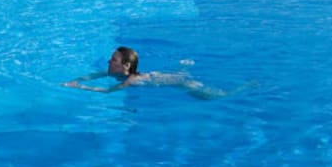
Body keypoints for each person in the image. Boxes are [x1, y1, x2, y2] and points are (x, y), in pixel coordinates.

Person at [64, 46, 226, 98]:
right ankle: (182, 68)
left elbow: (107, 91)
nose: (109, 62)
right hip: (155, 75)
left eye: (113, 60)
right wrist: (78, 79)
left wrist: (80, 87)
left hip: (175, 82)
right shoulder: (114, 73)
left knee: (208, 97)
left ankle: (242, 89)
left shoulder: (130, 80)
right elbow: (95, 75)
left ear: (126, 66)